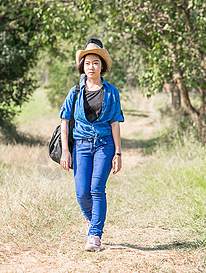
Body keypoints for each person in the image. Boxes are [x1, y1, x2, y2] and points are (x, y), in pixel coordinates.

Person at [59, 38, 124, 252]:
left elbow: (115, 123)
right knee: (81, 192)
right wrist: (65, 151)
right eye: (87, 63)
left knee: (97, 188)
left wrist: (118, 152)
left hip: (104, 145)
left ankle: (95, 235)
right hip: (81, 146)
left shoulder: (112, 92)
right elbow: (64, 121)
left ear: (102, 66)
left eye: (96, 62)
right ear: (82, 66)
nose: (91, 67)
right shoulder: (75, 92)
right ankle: (90, 219)